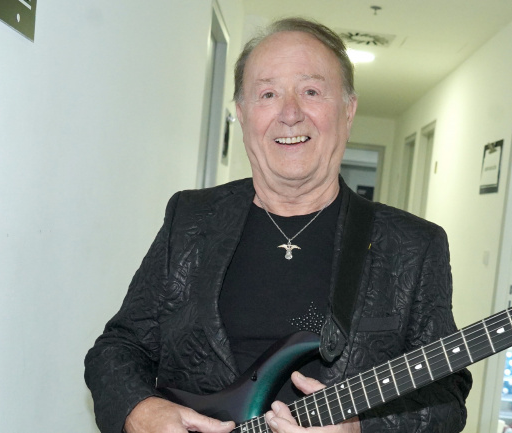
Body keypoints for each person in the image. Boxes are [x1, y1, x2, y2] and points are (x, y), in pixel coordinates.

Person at [85, 17, 471, 433]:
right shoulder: (190, 219)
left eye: (311, 91)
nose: (290, 114)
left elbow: (446, 396)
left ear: (348, 110)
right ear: (242, 114)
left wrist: (360, 429)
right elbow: (119, 347)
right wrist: (141, 411)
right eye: (268, 94)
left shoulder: (413, 245)